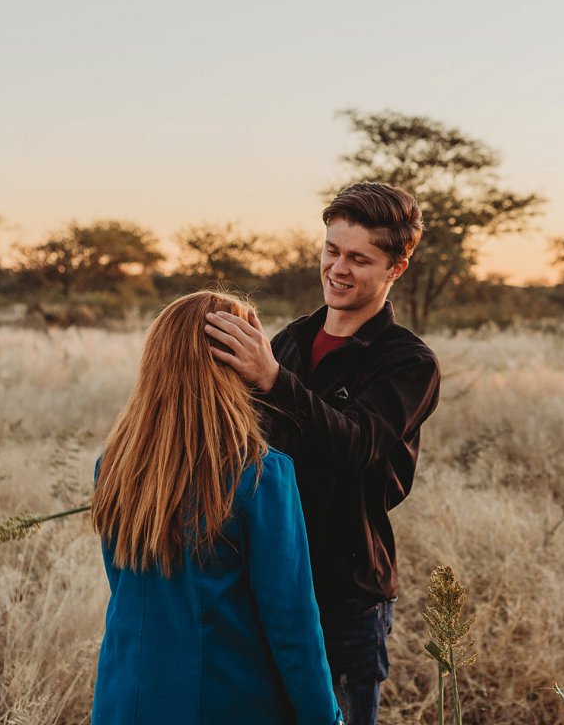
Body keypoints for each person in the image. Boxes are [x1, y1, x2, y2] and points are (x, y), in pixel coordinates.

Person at [204, 182, 441, 724]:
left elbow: (356, 444)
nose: (338, 268)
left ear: (395, 269)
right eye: (332, 250)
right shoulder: (287, 341)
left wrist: (271, 378)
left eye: (359, 258)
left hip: (344, 597)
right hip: (262, 583)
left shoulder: (407, 362)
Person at [91, 290, 342, 725]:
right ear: (233, 366)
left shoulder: (114, 465)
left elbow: (125, 585)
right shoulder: (260, 476)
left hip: (124, 698)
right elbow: (292, 625)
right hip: (226, 702)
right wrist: (326, 717)